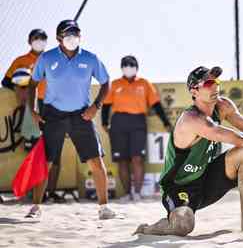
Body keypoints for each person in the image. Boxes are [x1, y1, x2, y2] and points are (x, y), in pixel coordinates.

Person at [134, 66, 243, 236]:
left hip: (207, 178)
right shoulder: (192, 119)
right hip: (180, 186)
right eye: (208, 83)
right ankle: (147, 229)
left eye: (216, 81)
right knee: (183, 225)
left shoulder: (223, 105)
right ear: (194, 91)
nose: (215, 86)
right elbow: (241, 139)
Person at [26, 19, 116, 220]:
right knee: (45, 161)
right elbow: (32, 85)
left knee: (96, 160)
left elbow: (105, 82)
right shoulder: (47, 58)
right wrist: (32, 110)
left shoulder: (91, 58)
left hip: (81, 114)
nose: (72, 37)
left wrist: (96, 106)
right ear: (59, 38)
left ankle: (104, 207)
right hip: (53, 114)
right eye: (68, 33)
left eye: (76, 33)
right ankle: (35, 207)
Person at [102, 55, 171, 202]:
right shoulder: (115, 84)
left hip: (138, 121)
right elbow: (106, 106)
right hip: (118, 122)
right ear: (122, 68)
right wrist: (104, 122)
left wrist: (165, 122)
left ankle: (137, 193)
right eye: (125, 65)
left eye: (131, 65)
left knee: (137, 158)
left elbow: (156, 105)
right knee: (122, 160)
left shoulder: (144, 83)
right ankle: (127, 193)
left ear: (136, 68)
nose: (128, 68)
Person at [1, 29, 48, 150]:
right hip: (31, 106)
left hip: (49, 105)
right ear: (29, 41)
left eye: (42, 39)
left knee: (49, 146)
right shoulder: (20, 61)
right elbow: (6, 81)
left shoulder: (52, 60)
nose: (39, 41)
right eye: (36, 38)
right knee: (33, 144)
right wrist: (20, 87)